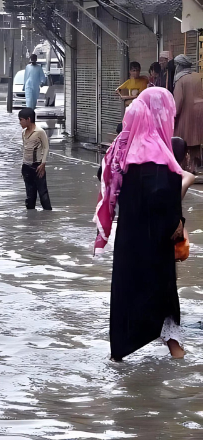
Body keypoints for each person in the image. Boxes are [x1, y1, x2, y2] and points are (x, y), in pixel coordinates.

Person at [94, 87, 186, 361]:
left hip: (129, 241)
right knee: (163, 298)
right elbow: (161, 200)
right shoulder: (158, 156)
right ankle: (177, 360)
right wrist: (179, 219)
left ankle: (120, 356)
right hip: (155, 244)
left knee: (127, 292)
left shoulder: (123, 150)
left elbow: (106, 179)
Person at [173, 54, 203, 172]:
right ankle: (195, 166)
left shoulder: (180, 79)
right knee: (195, 141)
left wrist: (174, 115)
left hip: (186, 114)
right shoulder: (198, 76)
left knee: (183, 141)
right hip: (200, 113)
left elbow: (178, 101)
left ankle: (184, 167)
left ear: (180, 66)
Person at [19, 107, 52, 210]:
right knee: (30, 195)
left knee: (43, 193)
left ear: (28, 119)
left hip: (37, 166)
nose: (20, 122)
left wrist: (43, 163)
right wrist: (23, 166)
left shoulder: (40, 132)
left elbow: (46, 147)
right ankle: (31, 219)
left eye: (21, 120)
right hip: (26, 166)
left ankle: (47, 215)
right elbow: (25, 149)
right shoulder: (24, 133)